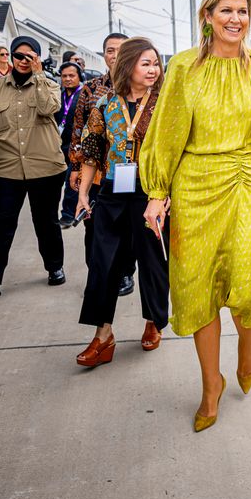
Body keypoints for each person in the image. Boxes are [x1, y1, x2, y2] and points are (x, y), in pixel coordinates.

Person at [140, 0, 251, 432]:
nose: (236, 19)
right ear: (208, 16)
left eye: (242, 11)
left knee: (247, 280)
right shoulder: (181, 69)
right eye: (226, 10)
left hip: (247, 181)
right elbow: (167, 133)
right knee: (197, 286)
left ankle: (248, 347)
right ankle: (210, 385)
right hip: (194, 186)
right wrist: (158, 192)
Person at [75, 38, 168, 367]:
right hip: (113, 190)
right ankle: (103, 335)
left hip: (151, 193)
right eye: (146, 63)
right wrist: (84, 192)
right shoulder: (106, 104)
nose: (153, 69)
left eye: (155, 63)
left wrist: (167, 194)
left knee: (152, 261)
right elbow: (92, 148)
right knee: (103, 263)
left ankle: (153, 322)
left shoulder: (166, 104)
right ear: (128, 66)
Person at [0, 36, 67, 303]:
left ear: (37, 58)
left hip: (45, 167)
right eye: (18, 56)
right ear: (10, 57)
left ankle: (54, 266)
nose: (24, 61)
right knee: (1, 226)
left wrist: (39, 76)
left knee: (46, 222)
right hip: (6, 170)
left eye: (30, 56)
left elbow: (50, 108)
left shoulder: (49, 84)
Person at [69, 32, 135, 297]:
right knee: (93, 225)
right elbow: (78, 131)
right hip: (97, 172)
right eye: (109, 50)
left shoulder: (140, 86)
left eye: (121, 49)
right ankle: (97, 273)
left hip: (129, 172)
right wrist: (75, 167)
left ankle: (125, 274)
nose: (115, 55)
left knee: (127, 226)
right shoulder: (91, 89)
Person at [56, 61, 83, 227]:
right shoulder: (58, 95)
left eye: (71, 75)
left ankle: (68, 214)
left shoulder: (84, 95)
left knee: (71, 180)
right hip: (58, 143)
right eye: (64, 76)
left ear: (80, 77)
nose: (67, 79)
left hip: (76, 144)